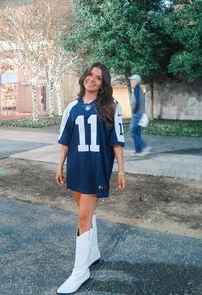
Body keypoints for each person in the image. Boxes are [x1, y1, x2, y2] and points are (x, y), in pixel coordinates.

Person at [55, 62, 126, 294]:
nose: (92, 79)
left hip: (97, 169)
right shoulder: (72, 107)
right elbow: (65, 140)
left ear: (103, 84)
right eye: (90, 75)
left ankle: (80, 272)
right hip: (76, 167)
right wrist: (59, 166)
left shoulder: (111, 106)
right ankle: (92, 253)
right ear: (84, 77)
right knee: (84, 213)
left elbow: (117, 141)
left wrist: (121, 170)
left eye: (98, 77)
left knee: (83, 217)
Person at [129, 74, 151, 156]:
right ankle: (138, 151)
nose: (131, 81)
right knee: (137, 133)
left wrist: (134, 111)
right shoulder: (137, 89)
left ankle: (144, 147)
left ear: (137, 81)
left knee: (133, 132)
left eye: (132, 80)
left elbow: (137, 102)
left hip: (137, 114)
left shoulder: (137, 89)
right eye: (131, 80)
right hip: (139, 114)